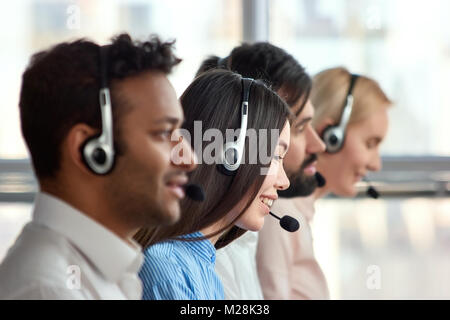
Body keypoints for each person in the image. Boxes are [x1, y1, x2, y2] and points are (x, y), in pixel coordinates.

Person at [0, 33, 196, 299]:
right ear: (93, 150)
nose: (190, 159)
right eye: (163, 133)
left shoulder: (105, 275)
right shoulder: (50, 289)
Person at [134, 69, 291, 300]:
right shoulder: (168, 271)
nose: (285, 182)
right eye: (276, 156)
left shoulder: (203, 269)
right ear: (231, 156)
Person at [196, 42, 326, 299]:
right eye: (300, 127)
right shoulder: (185, 260)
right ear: (236, 148)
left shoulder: (240, 237)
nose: (319, 144)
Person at [256, 67, 391, 299]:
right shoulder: (280, 216)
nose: (375, 165)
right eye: (370, 144)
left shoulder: (299, 215)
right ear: (331, 136)